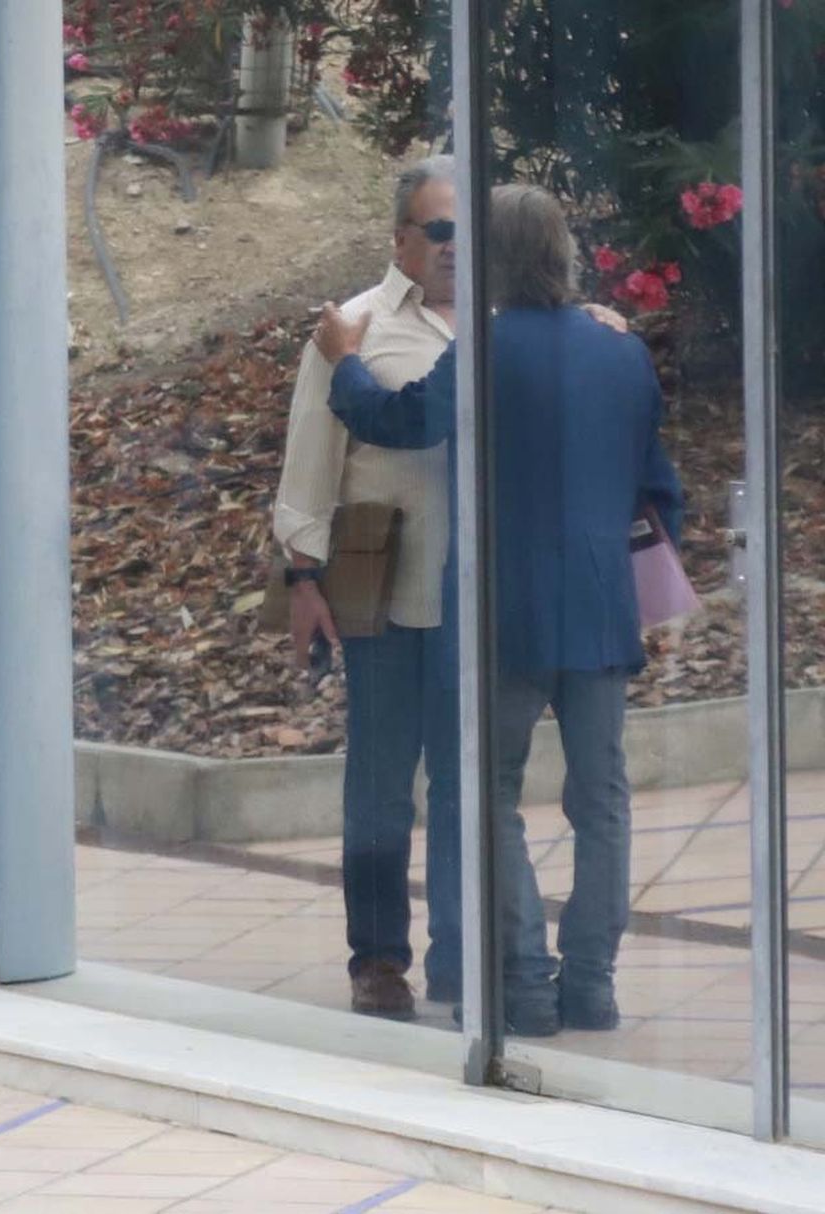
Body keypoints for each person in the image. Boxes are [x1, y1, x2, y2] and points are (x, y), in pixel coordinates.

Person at [312, 183, 684, 1035]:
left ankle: (522, 981)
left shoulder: (485, 346)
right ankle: (591, 984)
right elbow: (659, 485)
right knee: (603, 801)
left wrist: (342, 360)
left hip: (502, 610)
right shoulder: (620, 350)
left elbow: (398, 422)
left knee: (490, 795)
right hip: (598, 609)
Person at [272, 155, 462, 1020]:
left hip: (475, 599)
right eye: (440, 229)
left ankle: (462, 956)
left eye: (470, 230)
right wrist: (301, 577)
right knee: (383, 785)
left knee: (468, 785)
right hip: (384, 592)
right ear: (402, 238)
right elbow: (310, 463)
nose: (457, 247)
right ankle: (378, 961)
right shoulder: (349, 328)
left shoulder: (504, 323)